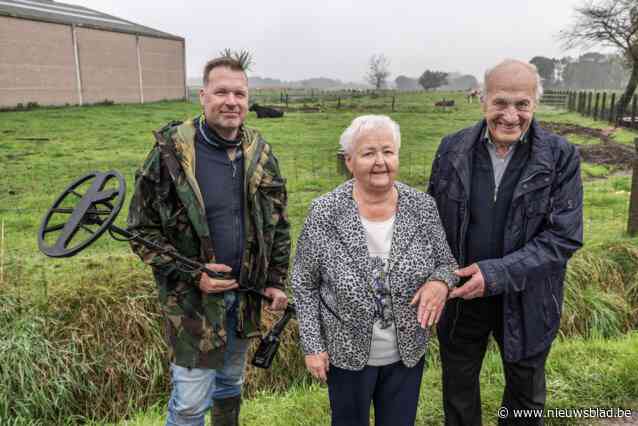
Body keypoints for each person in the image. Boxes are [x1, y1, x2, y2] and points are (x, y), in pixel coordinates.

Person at [127, 56, 290, 426]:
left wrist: (275, 280)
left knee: (231, 381)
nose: (231, 101)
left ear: (248, 99)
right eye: (221, 92)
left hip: (244, 297)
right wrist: (192, 274)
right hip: (192, 304)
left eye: (239, 93)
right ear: (202, 96)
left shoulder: (261, 154)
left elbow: (278, 223)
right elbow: (140, 231)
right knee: (188, 401)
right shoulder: (170, 154)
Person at [428, 59, 583, 425]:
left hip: (529, 297)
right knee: (458, 393)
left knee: (524, 399)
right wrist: (439, 276)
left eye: (521, 104)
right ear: (483, 100)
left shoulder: (560, 156)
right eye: (500, 102)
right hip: (461, 294)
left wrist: (496, 274)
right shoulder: (451, 149)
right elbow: (430, 224)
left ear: (535, 104)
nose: (510, 115)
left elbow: (563, 237)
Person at [291, 115, 458, 426]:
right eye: (369, 153)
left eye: (388, 151)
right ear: (349, 161)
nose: (380, 162)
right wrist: (313, 347)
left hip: (407, 353)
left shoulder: (422, 207)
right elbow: (303, 283)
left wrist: (440, 283)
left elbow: (447, 264)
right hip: (346, 354)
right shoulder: (324, 212)